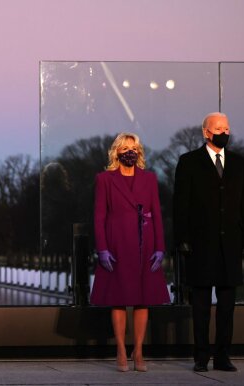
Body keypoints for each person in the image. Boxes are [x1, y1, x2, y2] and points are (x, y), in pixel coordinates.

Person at [174, 112, 244, 373]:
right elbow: (180, 206)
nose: (224, 132)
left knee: (227, 307)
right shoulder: (188, 162)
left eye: (227, 127)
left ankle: (223, 356)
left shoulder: (239, 163)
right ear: (206, 132)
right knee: (200, 306)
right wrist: (182, 239)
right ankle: (201, 356)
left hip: (230, 246)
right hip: (200, 245)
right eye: (219, 128)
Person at [90, 132, 170, 372]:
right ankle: (121, 350)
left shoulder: (150, 179)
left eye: (134, 147)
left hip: (145, 244)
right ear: (117, 151)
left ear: (139, 151)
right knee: (119, 298)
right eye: (125, 147)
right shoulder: (104, 179)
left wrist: (160, 248)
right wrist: (102, 249)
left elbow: (156, 213)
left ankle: (139, 351)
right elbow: (99, 216)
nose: (130, 152)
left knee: (143, 299)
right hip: (117, 244)